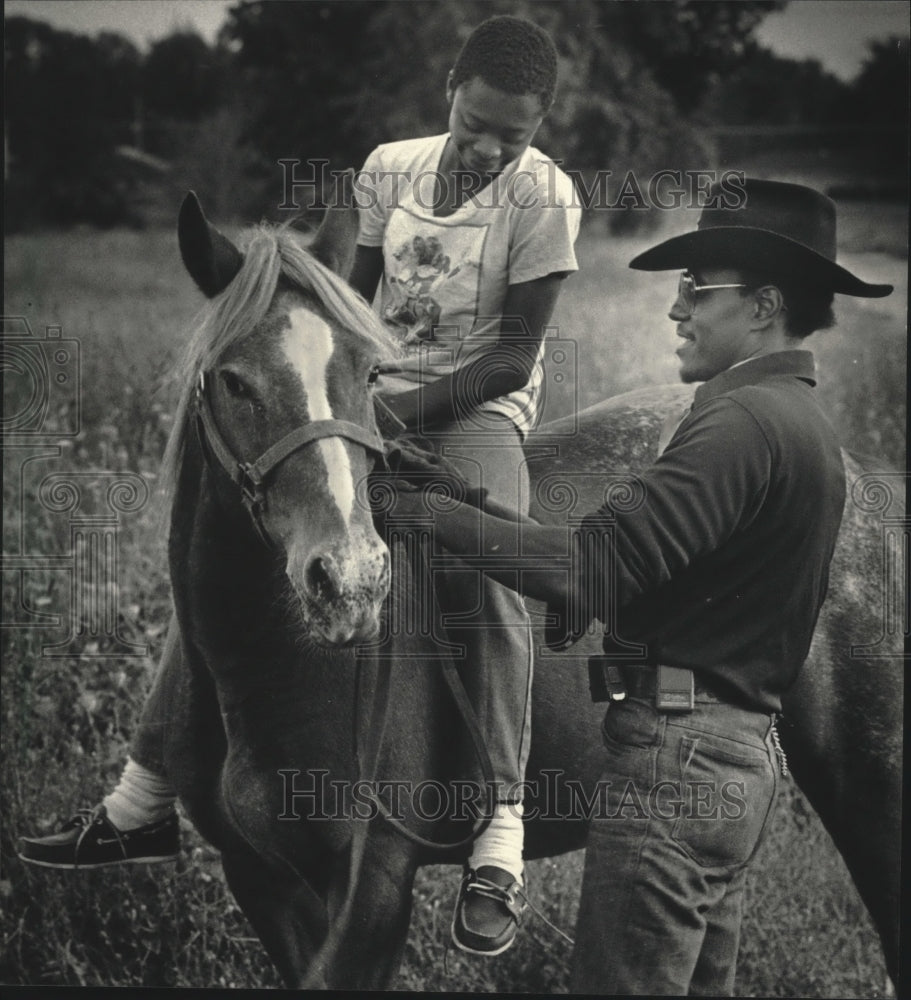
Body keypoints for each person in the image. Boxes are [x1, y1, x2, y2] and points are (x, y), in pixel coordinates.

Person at [19, 14, 581, 960]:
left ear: (539, 126)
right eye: (476, 121)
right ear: (450, 87)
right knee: (226, 547)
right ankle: (144, 795)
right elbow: (336, 299)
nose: (488, 147)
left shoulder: (545, 197)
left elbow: (513, 356)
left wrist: (396, 415)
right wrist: (342, 392)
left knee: (488, 570)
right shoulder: (387, 167)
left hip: (479, 410)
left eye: (511, 134)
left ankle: (501, 826)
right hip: (362, 395)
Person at [390, 178, 891, 993]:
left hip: (673, 763)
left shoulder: (739, 424)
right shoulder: (795, 421)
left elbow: (591, 571)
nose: (675, 309)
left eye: (697, 289)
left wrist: (421, 517)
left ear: (763, 305)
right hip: (727, 765)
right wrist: (464, 500)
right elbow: (633, 559)